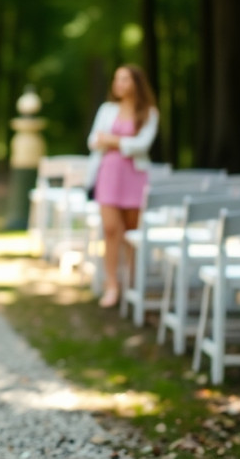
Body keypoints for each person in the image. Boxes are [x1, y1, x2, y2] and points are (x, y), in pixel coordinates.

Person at [86, 64, 159, 309]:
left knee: (130, 233)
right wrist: (120, 143)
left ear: (136, 83)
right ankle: (111, 284)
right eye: (117, 79)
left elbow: (142, 145)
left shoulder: (149, 113)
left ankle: (131, 281)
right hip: (108, 175)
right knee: (110, 230)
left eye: (125, 79)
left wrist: (112, 140)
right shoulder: (107, 110)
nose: (119, 84)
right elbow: (93, 141)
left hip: (134, 178)